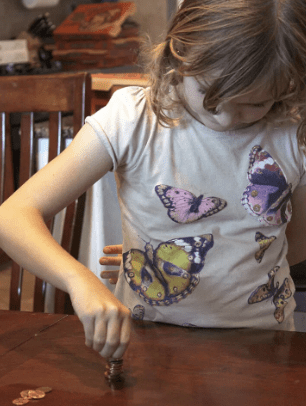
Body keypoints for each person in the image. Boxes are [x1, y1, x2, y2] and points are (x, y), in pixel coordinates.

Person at [1, 0, 306, 360]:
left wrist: (210, 259)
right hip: (149, 342)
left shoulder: (293, 131)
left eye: (255, 105)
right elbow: (13, 216)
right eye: (210, 96)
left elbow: (295, 242)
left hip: (262, 347)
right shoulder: (131, 120)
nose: (225, 119)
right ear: (178, 55)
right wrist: (77, 280)